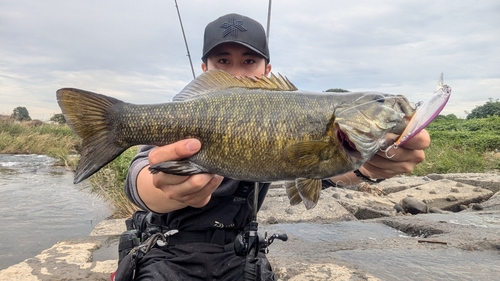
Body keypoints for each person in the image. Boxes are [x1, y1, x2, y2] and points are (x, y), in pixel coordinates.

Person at [117, 13, 430, 281]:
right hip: (167, 253)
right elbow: (139, 176)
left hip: (240, 255)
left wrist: (369, 170)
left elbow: (317, 175)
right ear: (204, 70)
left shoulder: (309, 121)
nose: (237, 72)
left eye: (249, 61)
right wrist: (162, 192)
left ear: (267, 69)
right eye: (223, 61)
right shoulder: (188, 115)